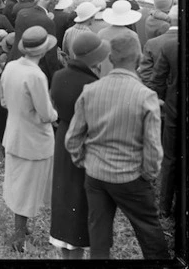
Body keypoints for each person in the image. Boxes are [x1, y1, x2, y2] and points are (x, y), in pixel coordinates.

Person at [65, 30, 169, 259]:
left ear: (110, 59)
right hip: (130, 176)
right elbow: (153, 148)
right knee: (149, 233)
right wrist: (148, 174)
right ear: (139, 60)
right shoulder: (146, 96)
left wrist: (83, 160)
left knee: (98, 237)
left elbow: (72, 138)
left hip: (95, 175)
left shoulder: (90, 90)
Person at [49, 32, 111, 259]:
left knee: (64, 194)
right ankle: (75, 250)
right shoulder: (92, 84)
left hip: (63, 138)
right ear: (94, 58)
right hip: (84, 142)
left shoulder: (58, 76)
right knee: (80, 198)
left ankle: (63, 248)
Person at [0, 26, 58, 252]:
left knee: (18, 185)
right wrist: (56, 114)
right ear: (43, 51)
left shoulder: (12, 66)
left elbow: (4, 101)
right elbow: (45, 114)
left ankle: (20, 231)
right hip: (34, 140)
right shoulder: (36, 75)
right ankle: (18, 238)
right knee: (28, 190)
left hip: (14, 134)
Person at [147, 5, 179, 220]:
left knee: (170, 159)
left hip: (173, 108)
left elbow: (157, 80)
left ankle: (165, 207)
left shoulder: (169, 47)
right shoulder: (168, 46)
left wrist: (157, 100)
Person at [7, 0, 63, 83]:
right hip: (35, 69)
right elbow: (50, 54)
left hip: (15, 61)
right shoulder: (47, 21)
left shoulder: (22, 13)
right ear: (52, 2)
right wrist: (55, 76)